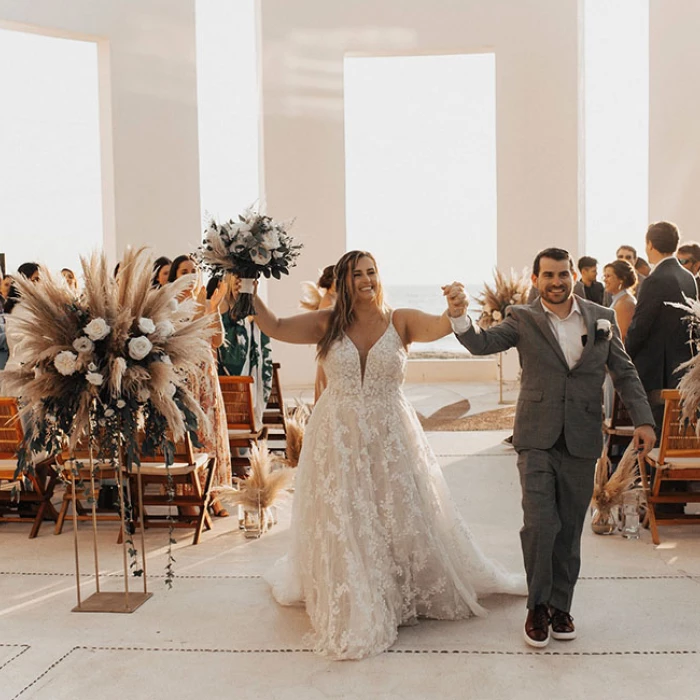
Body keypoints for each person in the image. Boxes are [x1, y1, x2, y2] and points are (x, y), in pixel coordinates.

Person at [257, 250, 525, 660]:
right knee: (346, 512)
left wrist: (456, 308)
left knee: (395, 508)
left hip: (391, 433)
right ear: (343, 282)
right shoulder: (327, 323)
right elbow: (273, 325)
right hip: (337, 435)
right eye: (357, 274)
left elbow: (441, 325)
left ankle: (399, 586)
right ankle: (357, 590)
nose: (366, 280)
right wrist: (245, 283)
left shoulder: (399, 320)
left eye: (372, 272)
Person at [446, 247, 655, 649]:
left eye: (563, 275)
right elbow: (482, 343)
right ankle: (537, 607)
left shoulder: (603, 318)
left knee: (569, 529)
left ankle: (562, 606)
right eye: (548, 276)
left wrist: (644, 420)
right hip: (537, 438)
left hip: (581, 437)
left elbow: (624, 372)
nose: (556, 283)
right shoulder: (522, 319)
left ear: (573, 275)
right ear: (536, 280)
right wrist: (459, 315)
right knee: (541, 524)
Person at [168, 255, 232, 512]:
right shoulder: (169, 307)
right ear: (175, 276)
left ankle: (212, 495)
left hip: (207, 380)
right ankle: (188, 499)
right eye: (185, 270)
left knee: (210, 436)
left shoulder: (204, 303)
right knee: (188, 437)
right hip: (183, 381)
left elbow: (216, 341)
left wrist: (213, 307)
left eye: (194, 270)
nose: (191, 274)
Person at [626, 222, 698, 429]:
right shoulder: (688, 278)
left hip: (656, 371)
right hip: (682, 368)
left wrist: (624, 356)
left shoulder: (654, 280)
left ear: (649, 245)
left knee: (653, 434)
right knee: (675, 434)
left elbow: (640, 327)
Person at [211, 274, 273, 436]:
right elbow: (227, 347)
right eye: (237, 278)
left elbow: (266, 334)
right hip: (226, 376)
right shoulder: (223, 304)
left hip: (249, 374)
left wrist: (253, 297)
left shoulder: (251, 305)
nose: (240, 283)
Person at [602, 260, 637, 342]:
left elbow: (621, 336)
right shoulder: (620, 299)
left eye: (608, 276)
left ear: (621, 279)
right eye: (604, 276)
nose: (605, 280)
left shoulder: (625, 303)